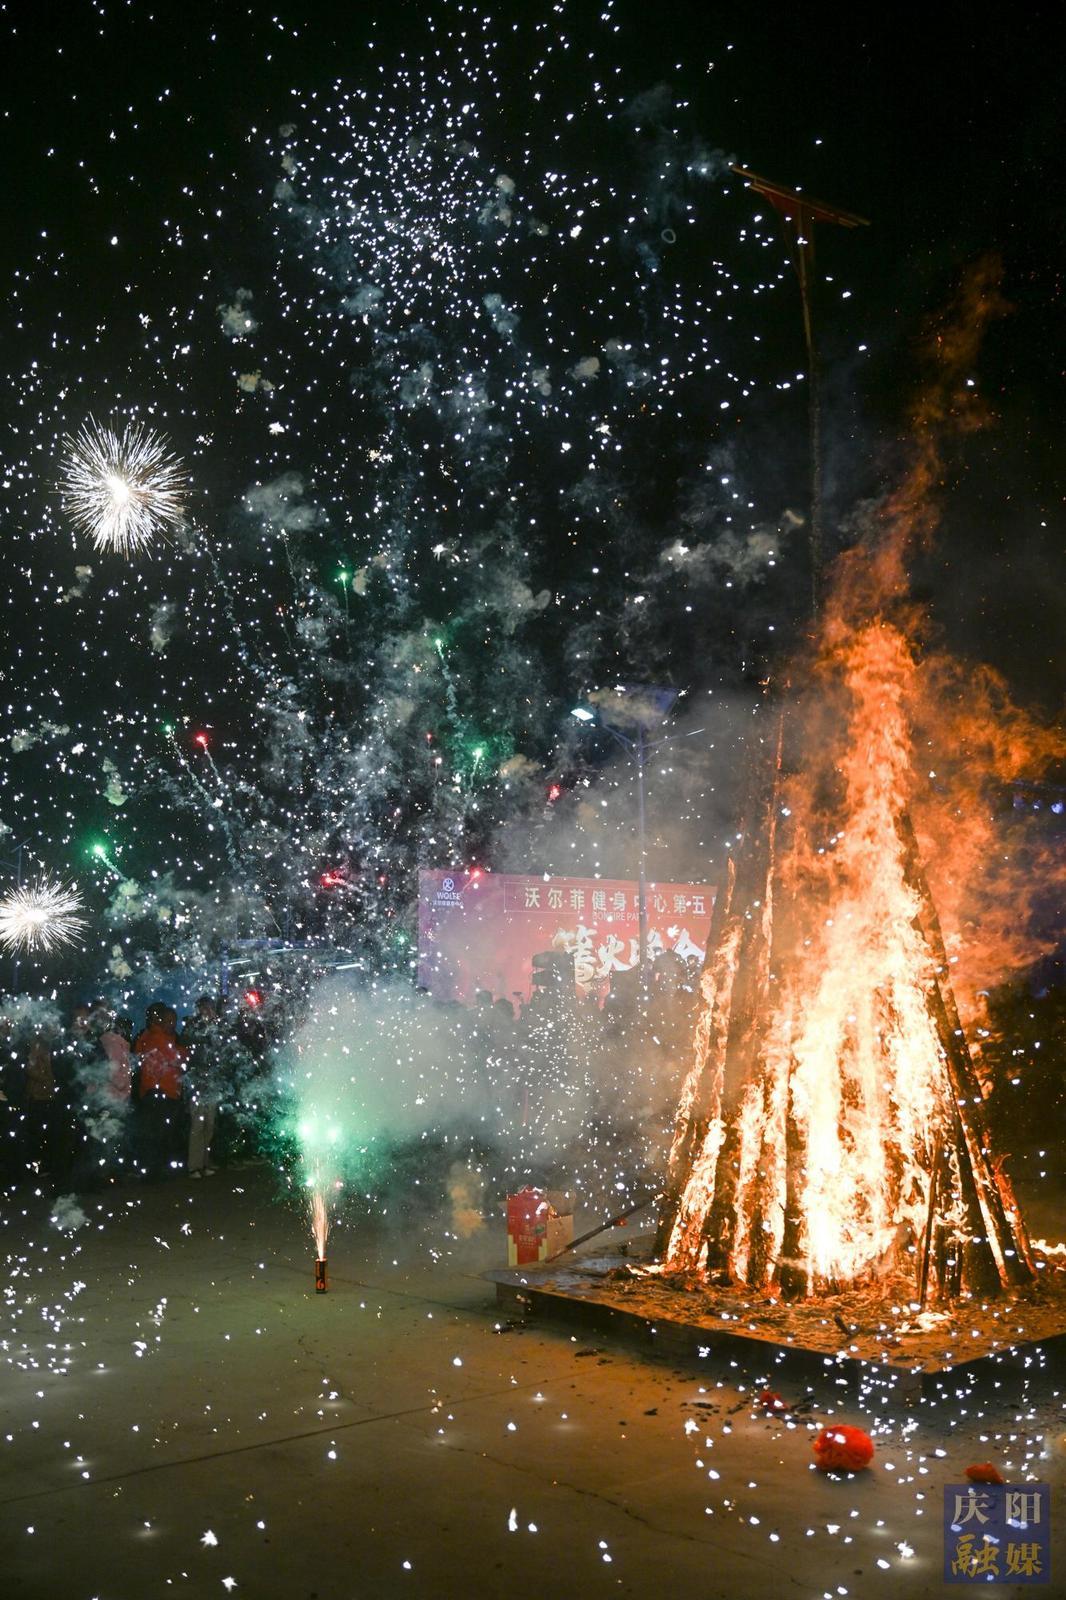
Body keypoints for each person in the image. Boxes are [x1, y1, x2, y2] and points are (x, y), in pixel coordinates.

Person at [133, 1003, 187, 1180]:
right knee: (158, 1133)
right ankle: (153, 1171)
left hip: (158, 1090)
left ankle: (153, 1169)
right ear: (160, 1020)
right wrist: (184, 1050)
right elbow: (177, 1058)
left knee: (156, 1133)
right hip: (161, 1091)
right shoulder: (158, 1037)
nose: (172, 1024)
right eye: (169, 1020)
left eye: (174, 1021)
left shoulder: (149, 1035)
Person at [182, 996, 220, 1178]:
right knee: (198, 1124)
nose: (208, 1011)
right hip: (197, 1082)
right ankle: (194, 1166)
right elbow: (186, 1042)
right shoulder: (193, 1026)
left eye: (210, 1007)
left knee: (209, 1124)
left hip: (212, 1081)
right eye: (205, 1008)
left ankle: (205, 1162)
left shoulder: (217, 1027)